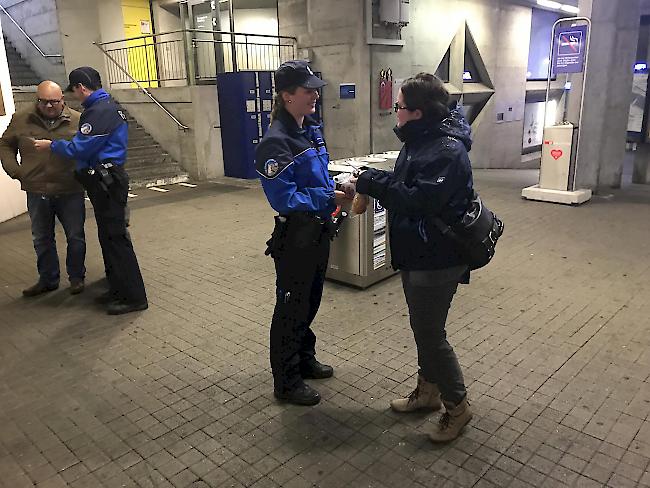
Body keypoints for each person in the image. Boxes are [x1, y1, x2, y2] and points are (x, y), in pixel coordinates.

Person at [352, 73, 473, 442]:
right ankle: (428, 392)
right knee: (424, 330)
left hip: (437, 257)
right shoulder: (421, 140)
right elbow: (405, 187)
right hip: (417, 251)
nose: (395, 112)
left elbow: (417, 199)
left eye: (399, 106)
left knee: (432, 335)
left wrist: (369, 181)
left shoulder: (446, 151)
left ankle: (458, 406)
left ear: (418, 112)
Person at [255, 60, 351, 406]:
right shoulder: (275, 143)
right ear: (286, 95)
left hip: (319, 230)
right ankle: (287, 380)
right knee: (290, 308)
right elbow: (283, 196)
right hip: (296, 235)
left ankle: (304, 359)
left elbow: (318, 177)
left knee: (310, 300)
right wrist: (329, 196)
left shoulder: (310, 129)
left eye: (315, 89)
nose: (314, 95)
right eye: (306, 90)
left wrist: (337, 186)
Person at [33, 67, 147, 315]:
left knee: (116, 239)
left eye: (73, 92)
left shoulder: (99, 112)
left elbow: (80, 149)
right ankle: (118, 288)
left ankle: (134, 297)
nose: (74, 97)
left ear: (81, 88)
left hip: (107, 181)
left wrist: (52, 145)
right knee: (108, 236)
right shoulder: (106, 107)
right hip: (104, 180)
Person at [0, 81, 86, 296]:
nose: (49, 106)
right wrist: (17, 171)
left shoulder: (77, 119)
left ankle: (76, 277)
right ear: (36, 99)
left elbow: (88, 149)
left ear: (62, 100)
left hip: (70, 189)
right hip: (37, 189)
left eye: (54, 102)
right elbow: (4, 144)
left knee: (75, 236)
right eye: (43, 102)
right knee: (42, 238)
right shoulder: (21, 119)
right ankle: (48, 279)